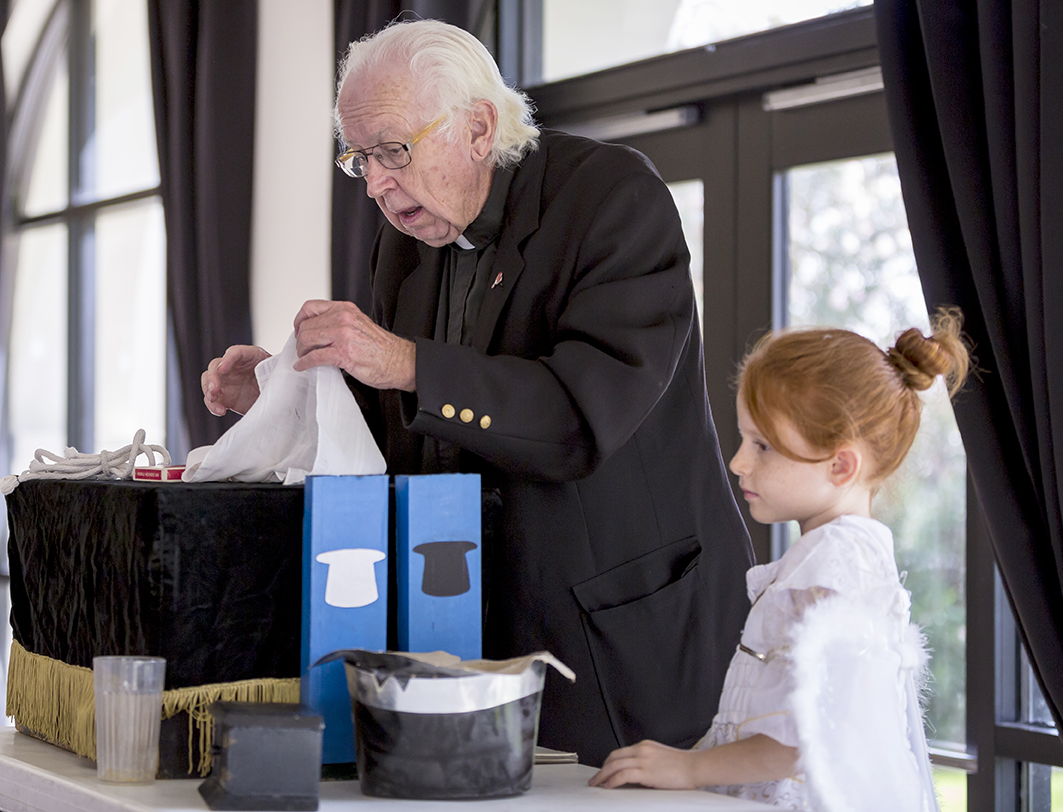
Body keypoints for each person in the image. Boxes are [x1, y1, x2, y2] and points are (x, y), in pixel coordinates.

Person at [201, 19, 754, 766]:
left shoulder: (614, 200)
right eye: (359, 158)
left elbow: (578, 418)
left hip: (620, 633)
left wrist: (403, 361)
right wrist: (284, 394)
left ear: (478, 127)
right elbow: (415, 424)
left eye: (393, 150)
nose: (376, 183)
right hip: (465, 628)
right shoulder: (405, 243)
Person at [589, 308, 971, 809]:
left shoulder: (838, 567)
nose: (737, 462)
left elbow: (802, 741)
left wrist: (688, 767)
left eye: (763, 446)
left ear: (841, 465)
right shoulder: (834, 557)